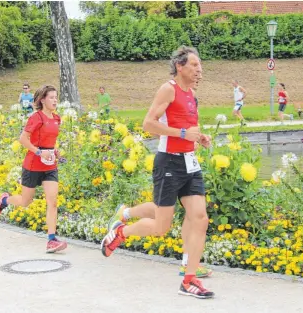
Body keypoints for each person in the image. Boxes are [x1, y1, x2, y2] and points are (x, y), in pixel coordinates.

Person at [101, 46, 214, 299]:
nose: (199, 70)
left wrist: (199, 137)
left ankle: (189, 280)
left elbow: (189, 127)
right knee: (161, 226)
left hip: (190, 163)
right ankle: (121, 231)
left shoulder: (191, 94)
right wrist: (182, 134)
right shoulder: (169, 89)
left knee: (200, 218)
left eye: (200, 65)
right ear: (180, 67)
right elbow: (148, 124)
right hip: (169, 163)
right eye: (194, 65)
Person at [0, 85, 67, 253]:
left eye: (56, 97)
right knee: (26, 201)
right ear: (42, 100)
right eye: (51, 98)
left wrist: (54, 150)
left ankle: (51, 240)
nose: (55, 100)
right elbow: (23, 139)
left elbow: (50, 140)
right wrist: (39, 152)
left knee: (52, 201)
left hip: (49, 166)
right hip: (33, 164)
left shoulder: (57, 118)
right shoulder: (36, 117)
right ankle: (4, 200)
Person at [107, 202, 213, 278]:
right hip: (169, 172)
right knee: (162, 214)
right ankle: (123, 220)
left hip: (189, 171)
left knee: (193, 211)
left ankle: (187, 263)